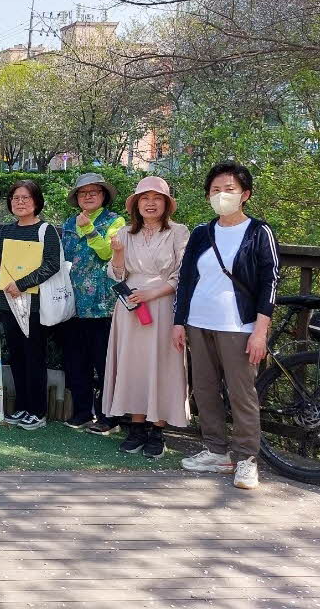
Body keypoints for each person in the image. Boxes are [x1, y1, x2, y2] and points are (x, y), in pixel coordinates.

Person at [174, 162, 279, 491]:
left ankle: (246, 458)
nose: (222, 195)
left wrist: (260, 331)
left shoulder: (258, 232)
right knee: (204, 389)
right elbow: (187, 279)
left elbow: (269, 282)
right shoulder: (202, 233)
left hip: (240, 325)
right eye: (216, 190)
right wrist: (179, 322)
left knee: (241, 393)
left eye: (229, 189)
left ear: (245, 194)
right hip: (198, 322)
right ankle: (217, 451)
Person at [103, 177, 190, 459]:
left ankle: (158, 430)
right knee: (134, 364)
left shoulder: (178, 232)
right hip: (130, 306)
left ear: (166, 204)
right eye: (144, 198)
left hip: (163, 305)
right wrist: (117, 254)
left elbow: (183, 274)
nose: (150, 203)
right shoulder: (125, 233)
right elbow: (116, 275)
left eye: (157, 198)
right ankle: (136, 426)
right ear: (136, 204)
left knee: (161, 364)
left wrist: (152, 294)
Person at [0, 180, 62, 431]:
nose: (20, 202)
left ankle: (38, 411)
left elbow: (52, 264)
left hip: (33, 305)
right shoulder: (7, 231)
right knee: (18, 357)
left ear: (36, 201)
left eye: (25, 198)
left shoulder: (46, 230)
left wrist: (23, 283)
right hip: (8, 303)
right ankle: (22, 407)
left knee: (34, 357)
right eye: (15, 198)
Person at [59, 172, 127, 433]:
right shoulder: (68, 222)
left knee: (104, 361)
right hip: (71, 302)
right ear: (76, 198)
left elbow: (108, 253)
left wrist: (88, 228)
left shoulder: (114, 220)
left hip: (102, 303)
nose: (87, 197)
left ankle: (109, 417)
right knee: (76, 361)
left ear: (103, 196)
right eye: (82, 193)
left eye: (93, 192)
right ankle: (82, 412)